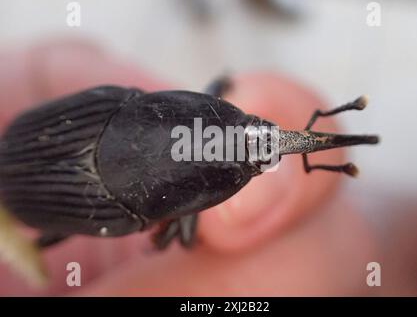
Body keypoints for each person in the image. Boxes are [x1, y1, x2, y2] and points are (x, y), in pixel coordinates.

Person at [0, 40, 378, 296]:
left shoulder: (124, 103)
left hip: (31, 171)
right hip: (33, 184)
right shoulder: (132, 207)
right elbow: (175, 236)